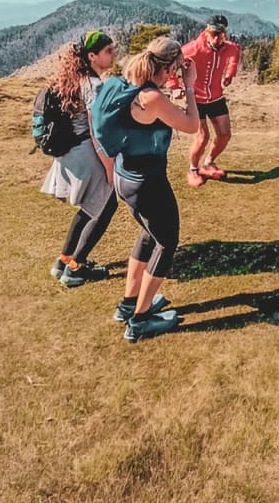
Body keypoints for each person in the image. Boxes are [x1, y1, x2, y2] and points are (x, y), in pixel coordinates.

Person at [105, 36, 201, 342]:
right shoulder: (151, 98)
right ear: (171, 67)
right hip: (147, 181)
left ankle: (129, 303)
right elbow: (191, 125)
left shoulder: (125, 83)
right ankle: (142, 319)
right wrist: (189, 86)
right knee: (167, 242)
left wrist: (170, 90)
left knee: (149, 235)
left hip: (125, 175)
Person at [41, 31, 119, 287]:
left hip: (72, 153)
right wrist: (110, 167)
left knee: (89, 209)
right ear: (92, 56)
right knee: (106, 207)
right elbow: (98, 132)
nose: (113, 54)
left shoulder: (77, 80)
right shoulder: (95, 86)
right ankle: (76, 268)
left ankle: (63, 260)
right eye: (108, 51)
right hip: (88, 154)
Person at [181, 15, 241, 187]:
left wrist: (230, 74)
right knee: (203, 136)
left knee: (225, 134)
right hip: (196, 99)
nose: (216, 38)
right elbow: (173, 63)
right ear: (206, 32)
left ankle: (208, 163)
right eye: (213, 34)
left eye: (220, 35)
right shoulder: (192, 49)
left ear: (225, 34)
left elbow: (235, 55)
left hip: (216, 97)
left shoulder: (229, 48)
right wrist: (175, 86)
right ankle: (193, 169)